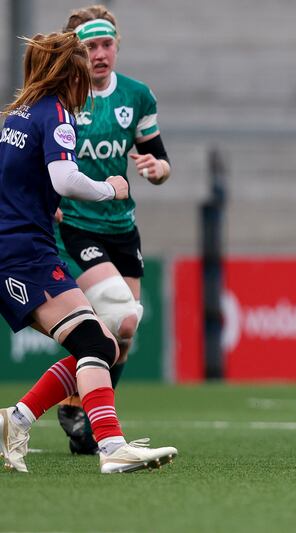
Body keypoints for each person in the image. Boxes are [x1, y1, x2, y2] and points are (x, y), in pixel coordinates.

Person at [0, 31, 177, 474]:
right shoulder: (57, 112)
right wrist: (111, 188)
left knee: (100, 344)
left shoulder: (19, 112)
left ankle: (15, 420)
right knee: (97, 342)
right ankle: (112, 447)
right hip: (23, 254)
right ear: (73, 75)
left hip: (22, 247)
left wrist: (41, 204)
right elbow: (64, 178)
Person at [53, 5, 172, 455]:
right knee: (120, 317)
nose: (100, 54)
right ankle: (86, 412)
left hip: (122, 226)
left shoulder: (137, 96)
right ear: (75, 52)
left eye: (106, 45)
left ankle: (80, 410)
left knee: (123, 333)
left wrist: (156, 170)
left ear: (117, 46)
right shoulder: (63, 97)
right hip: (76, 226)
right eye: (90, 47)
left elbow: (159, 160)